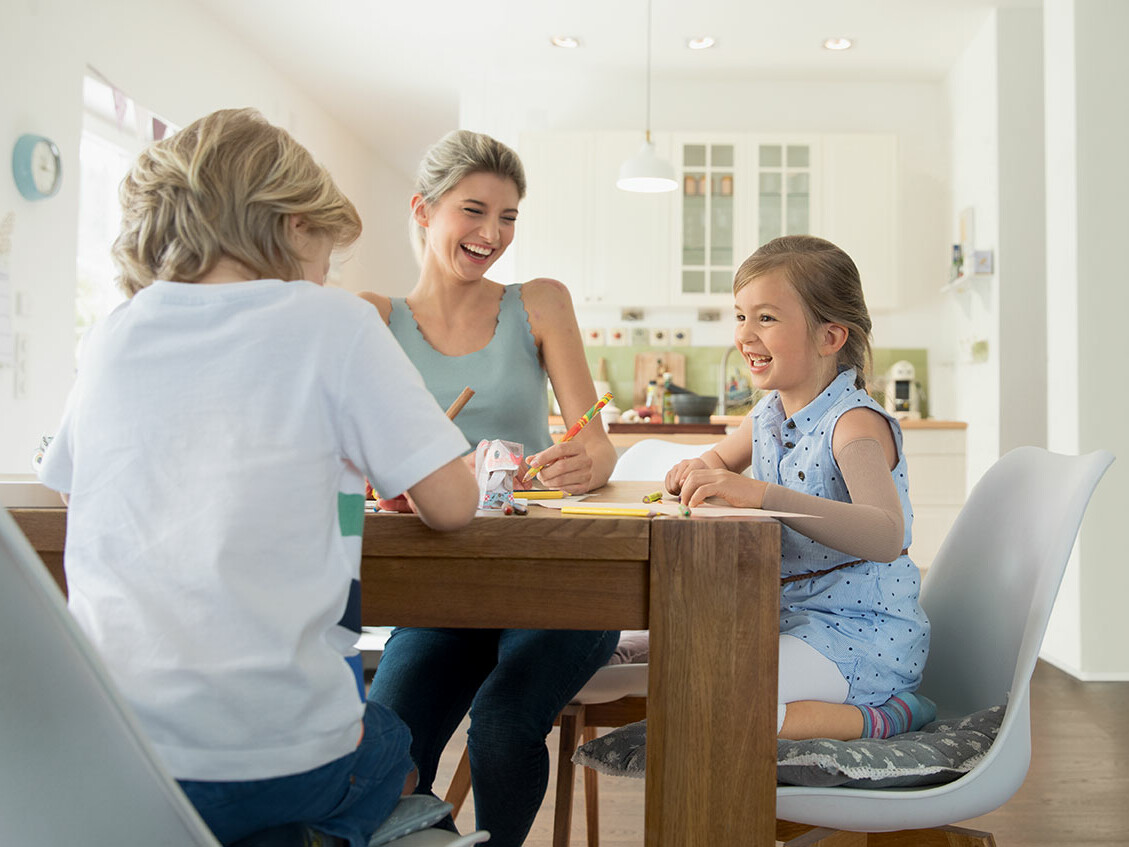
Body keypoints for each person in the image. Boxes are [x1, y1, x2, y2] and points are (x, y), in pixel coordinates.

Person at [36, 107, 479, 847]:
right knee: (390, 740)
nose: (324, 275)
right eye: (326, 256)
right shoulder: (331, 321)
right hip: (276, 758)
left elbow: (75, 491)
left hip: (120, 752)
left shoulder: (116, 329)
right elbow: (454, 503)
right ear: (292, 224)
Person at [358, 129, 619, 845]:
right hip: (443, 592)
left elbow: (592, 438)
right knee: (385, 749)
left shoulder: (538, 303)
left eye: (507, 217)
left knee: (502, 725)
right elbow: (356, 464)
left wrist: (584, 461)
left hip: (555, 579)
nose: (491, 234)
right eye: (473, 211)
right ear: (422, 209)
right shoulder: (373, 319)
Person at [665, 235, 935, 741]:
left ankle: (885, 716)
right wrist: (694, 470)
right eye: (740, 316)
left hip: (860, 636)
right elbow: (719, 459)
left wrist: (762, 496)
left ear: (830, 337)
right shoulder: (767, 413)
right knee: (692, 679)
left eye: (766, 318)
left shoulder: (852, 424)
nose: (745, 335)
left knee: (720, 694)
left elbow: (885, 535)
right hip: (792, 621)